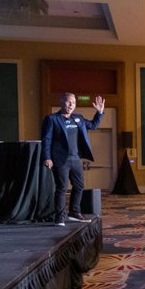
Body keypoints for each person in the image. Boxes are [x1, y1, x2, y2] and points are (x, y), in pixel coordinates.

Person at [41, 92, 104, 225]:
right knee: (62, 188)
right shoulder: (52, 119)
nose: (71, 105)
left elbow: (93, 125)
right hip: (60, 160)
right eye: (69, 102)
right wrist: (47, 157)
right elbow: (46, 139)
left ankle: (74, 212)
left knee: (79, 186)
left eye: (74, 103)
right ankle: (60, 217)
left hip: (75, 159)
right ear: (61, 102)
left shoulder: (78, 118)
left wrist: (99, 112)